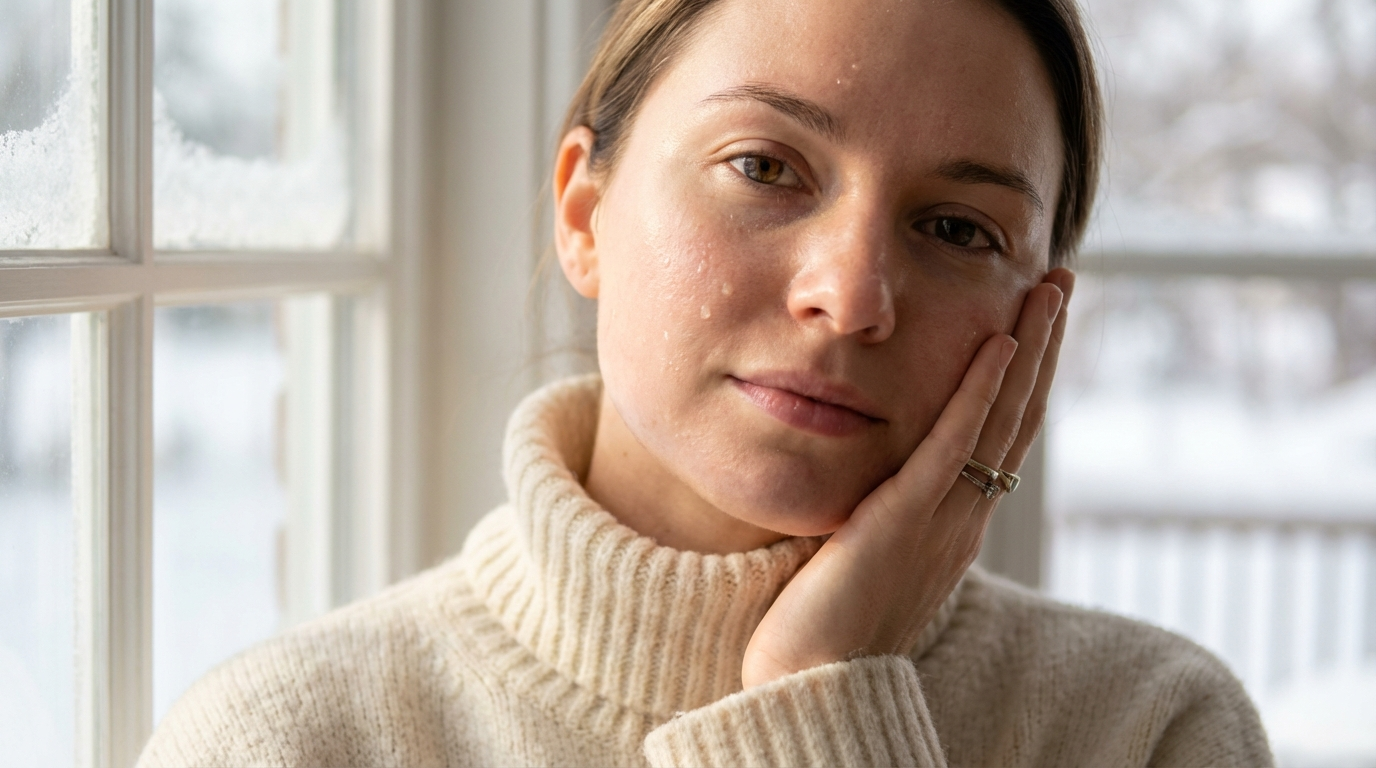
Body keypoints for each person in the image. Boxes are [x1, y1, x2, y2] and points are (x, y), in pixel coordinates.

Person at [138, 0, 1274, 765]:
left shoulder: (1146, 729)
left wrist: (820, 697)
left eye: (954, 226)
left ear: (1039, 318)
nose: (851, 293)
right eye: (763, 166)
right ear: (584, 212)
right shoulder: (285, 742)